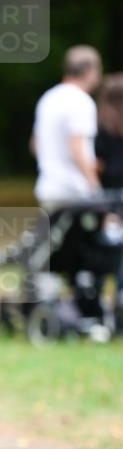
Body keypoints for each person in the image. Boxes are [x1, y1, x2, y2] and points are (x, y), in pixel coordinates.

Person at [30, 45, 102, 213]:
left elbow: (35, 144)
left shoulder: (48, 98)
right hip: (74, 192)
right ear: (89, 69)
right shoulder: (81, 101)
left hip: (49, 188)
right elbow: (76, 148)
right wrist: (94, 186)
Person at [95, 73, 123, 319]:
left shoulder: (98, 127)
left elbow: (96, 165)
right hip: (113, 201)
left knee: (107, 252)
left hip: (105, 201)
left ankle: (101, 301)